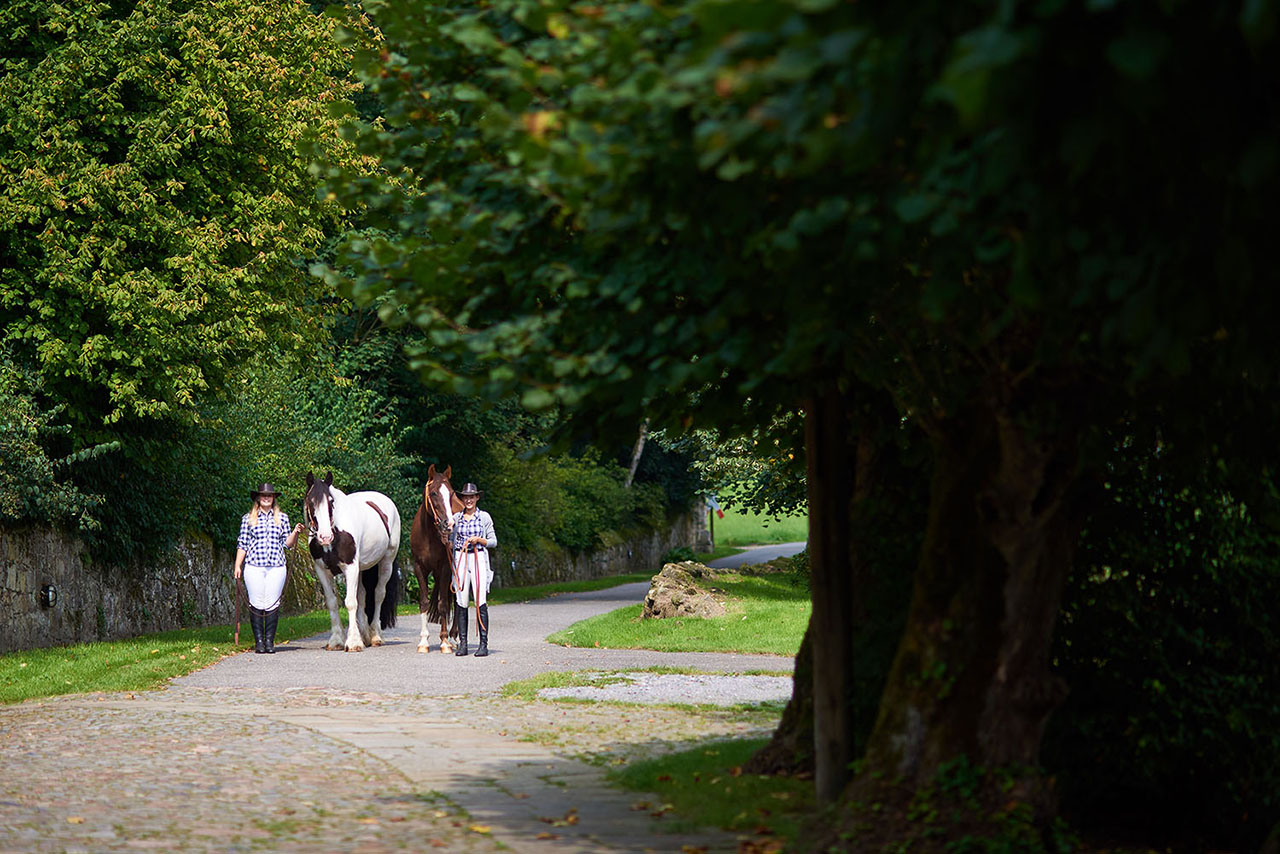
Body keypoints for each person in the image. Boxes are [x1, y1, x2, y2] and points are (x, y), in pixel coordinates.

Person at [233, 483, 304, 654]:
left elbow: (287, 544)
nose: (266, 498)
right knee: (256, 603)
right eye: (263, 495)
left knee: (272, 603)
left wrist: (295, 532)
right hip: (254, 565)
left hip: (276, 566)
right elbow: (243, 543)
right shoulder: (248, 519)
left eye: (270, 496)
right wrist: (237, 565)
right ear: (258, 498)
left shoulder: (283, 518)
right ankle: (259, 642)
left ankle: (269, 642)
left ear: (273, 499)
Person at [450, 482, 496, 657]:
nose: (469, 500)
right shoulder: (456, 518)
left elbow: (493, 541)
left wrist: (480, 540)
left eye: (472, 497)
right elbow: (451, 540)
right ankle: (463, 644)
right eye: (466, 497)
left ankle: (483, 644)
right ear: (462, 499)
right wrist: (448, 533)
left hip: (478, 559)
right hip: (461, 559)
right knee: (461, 601)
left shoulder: (484, 517)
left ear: (477, 498)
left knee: (480, 600)